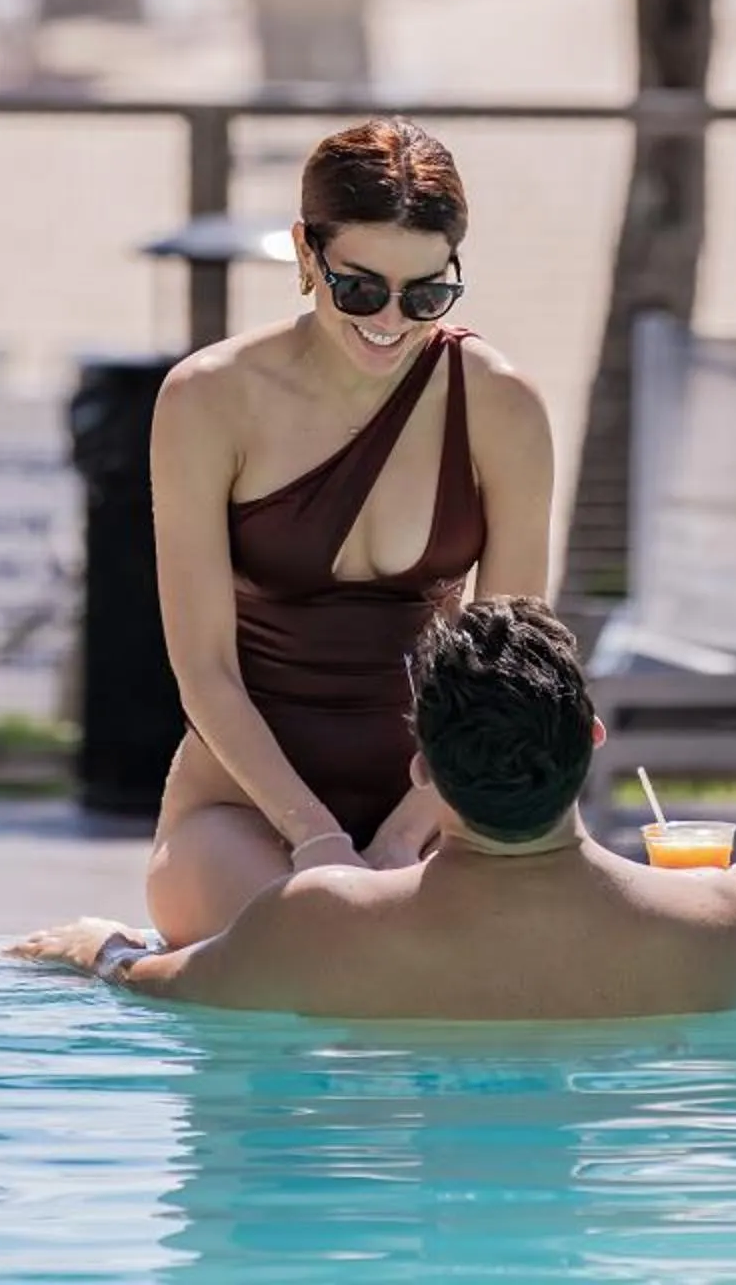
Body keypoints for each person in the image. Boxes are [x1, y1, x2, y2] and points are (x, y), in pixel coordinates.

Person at [145, 116, 554, 947]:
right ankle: (104, 954)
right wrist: (316, 838)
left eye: (427, 294)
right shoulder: (208, 400)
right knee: (330, 952)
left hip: (445, 804)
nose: (392, 322)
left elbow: (509, 671)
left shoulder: (502, 406)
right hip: (244, 810)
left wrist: (407, 835)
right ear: (305, 252)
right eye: (361, 289)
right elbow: (204, 668)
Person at [13, 596, 736, 1021]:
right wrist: (708, 899)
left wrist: (97, 945)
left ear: (422, 767)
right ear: (592, 738)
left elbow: (149, 981)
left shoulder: (320, 921)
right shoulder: (724, 926)